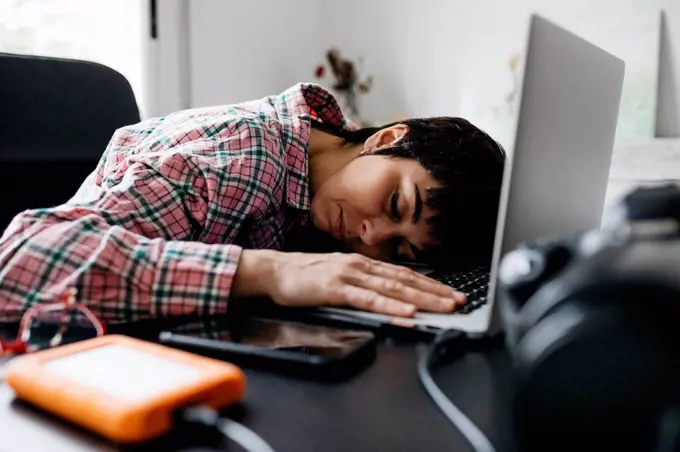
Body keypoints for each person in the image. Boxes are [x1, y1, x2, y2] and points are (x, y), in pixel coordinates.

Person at [0, 83, 505, 324]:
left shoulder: (318, 164)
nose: (371, 237)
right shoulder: (241, 160)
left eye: (400, 253)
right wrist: (270, 272)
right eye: (396, 204)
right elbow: (19, 262)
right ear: (387, 138)